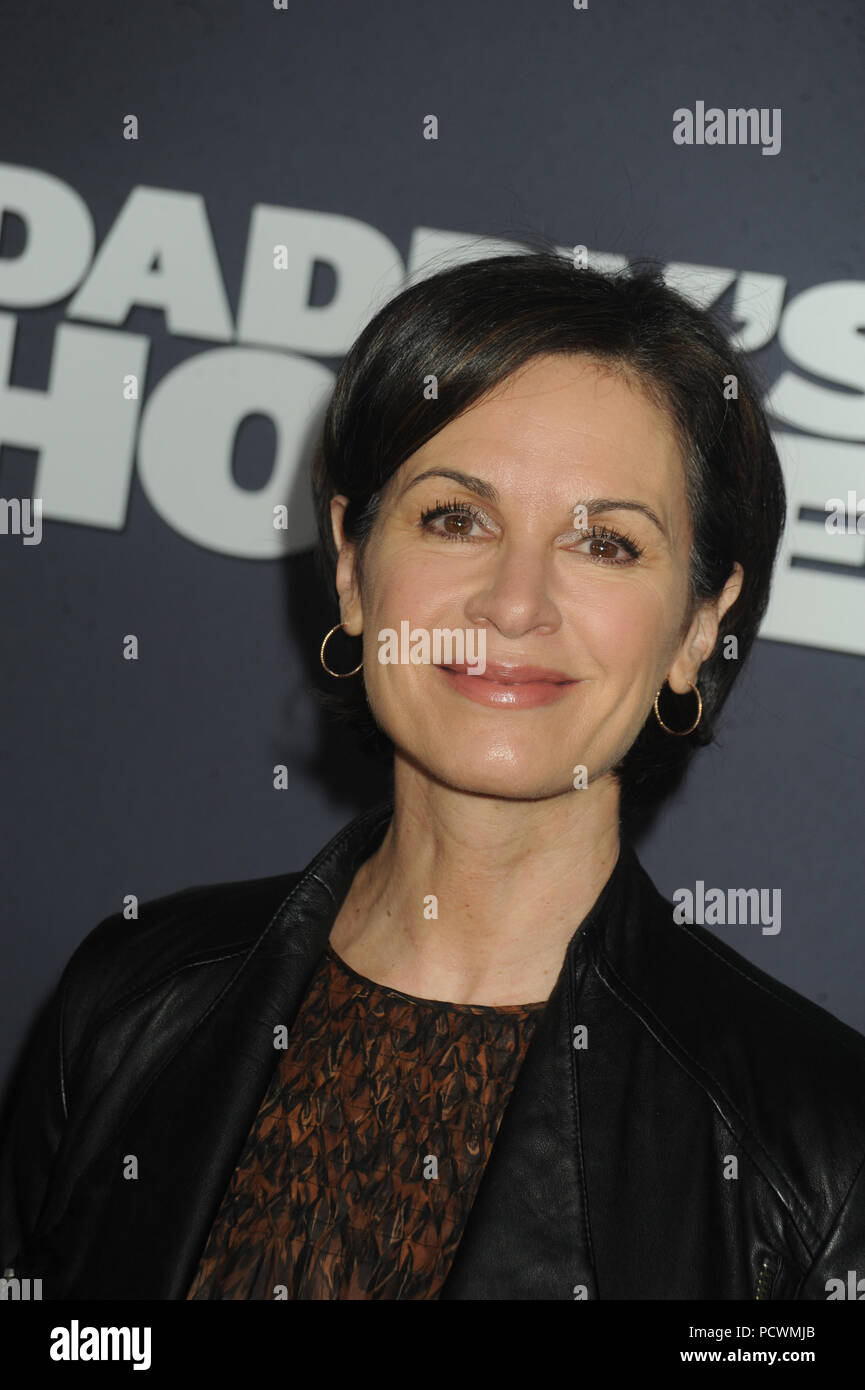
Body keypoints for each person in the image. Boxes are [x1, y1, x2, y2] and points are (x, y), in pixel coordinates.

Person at [2, 251, 864, 1301]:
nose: (514, 603)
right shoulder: (131, 1002)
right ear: (352, 566)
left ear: (696, 627)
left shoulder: (819, 1153)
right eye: (456, 519)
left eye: (604, 543)